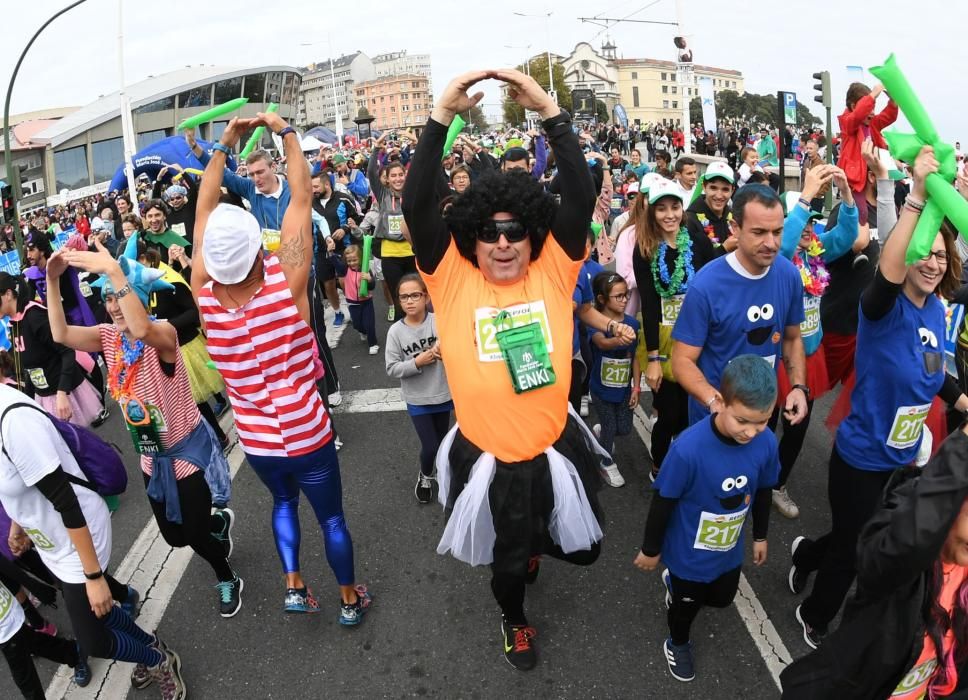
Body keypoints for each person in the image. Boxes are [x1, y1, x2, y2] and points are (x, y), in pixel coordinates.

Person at [402, 69, 632, 671]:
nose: (502, 244)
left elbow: (581, 193)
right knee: (508, 567)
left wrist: (552, 114)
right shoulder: (450, 280)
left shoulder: (553, 271)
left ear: (532, 236)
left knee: (583, 550)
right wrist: (441, 117)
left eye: (513, 233)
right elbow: (415, 201)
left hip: (554, 444)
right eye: (489, 233)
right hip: (488, 457)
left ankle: (534, 550)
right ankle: (515, 618)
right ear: (470, 240)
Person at [191, 112, 370, 624]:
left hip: (259, 437)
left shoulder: (206, 299)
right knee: (331, 516)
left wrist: (223, 146)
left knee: (283, 505)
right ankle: (349, 600)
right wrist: (284, 131)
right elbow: (300, 199)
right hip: (307, 426)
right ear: (255, 245)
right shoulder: (286, 282)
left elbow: (203, 218)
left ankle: (294, 586)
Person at [790, 146, 968, 650]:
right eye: (923, 254)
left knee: (859, 532)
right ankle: (815, 613)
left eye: (940, 255)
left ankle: (807, 556)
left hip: (904, 456)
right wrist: (912, 197)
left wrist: (963, 405)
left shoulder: (935, 310)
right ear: (907, 258)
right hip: (861, 455)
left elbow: (936, 376)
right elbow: (888, 271)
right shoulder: (881, 306)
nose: (931, 264)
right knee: (855, 546)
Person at [47, 241, 242, 631]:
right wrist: (53, 282)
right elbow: (61, 333)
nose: (114, 305)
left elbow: (140, 327)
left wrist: (115, 271)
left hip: (186, 453)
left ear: (139, 298)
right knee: (174, 537)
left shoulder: (164, 335)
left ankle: (226, 575)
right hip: (151, 456)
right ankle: (216, 526)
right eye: (108, 299)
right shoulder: (107, 338)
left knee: (194, 533)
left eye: (121, 296)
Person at [0, 384, 185, 699]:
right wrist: (19, 524)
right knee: (93, 610)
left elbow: (65, 500)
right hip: (53, 541)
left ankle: (160, 660)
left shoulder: (12, 422)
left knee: (93, 641)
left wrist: (95, 576)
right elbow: (20, 479)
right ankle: (151, 646)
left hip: (78, 533)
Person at [781, 423, 968, 698]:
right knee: (849, 542)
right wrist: (961, 445)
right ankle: (811, 595)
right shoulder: (908, 570)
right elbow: (899, 548)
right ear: (949, 503)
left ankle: (806, 556)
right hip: (865, 463)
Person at [634, 355, 779, 682]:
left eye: (762, 421)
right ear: (721, 402)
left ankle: (678, 591)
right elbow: (663, 502)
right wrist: (651, 549)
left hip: (728, 551)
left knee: (722, 599)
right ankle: (678, 640)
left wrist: (760, 535)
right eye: (743, 421)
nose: (752, 432)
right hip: (688, 553)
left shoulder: (766, 442)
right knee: (685, 609)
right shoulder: (688, 449)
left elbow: (765, 489)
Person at [670, 184, 808, 426]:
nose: (771, 243)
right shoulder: (706, 285)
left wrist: (798, 387)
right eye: (759, 232)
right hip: (714, 422)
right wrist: (715, 403)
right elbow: (682, 360)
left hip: (763, 414)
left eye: (777, 232)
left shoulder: (789, 275)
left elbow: (792, 338)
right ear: (735, 228)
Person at [770, 165, 859, 520]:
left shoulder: (816, 254)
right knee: (760, 424)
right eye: (802, 221)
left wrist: (848, 197)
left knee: (796, 428)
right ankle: (748, 480)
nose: (809, 229)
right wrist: (804, 200)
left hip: (807, 357)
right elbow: (783, 248)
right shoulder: (776, 261)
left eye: (812, 222)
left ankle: (777, 483)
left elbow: (846, 235)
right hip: (774, 357)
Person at [632, 179, 719, 480]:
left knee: (694, 409)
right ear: (651, 212)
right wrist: (653, 360)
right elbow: (650, 303)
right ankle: (659, 467)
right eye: (662, 208)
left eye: (675, 207)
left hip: (699, 335)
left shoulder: (694, 235)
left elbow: (714, 276)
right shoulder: (644, 248)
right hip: (666, 338)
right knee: (668, 413)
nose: (669, 214)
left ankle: (688, 464)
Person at [384, 273, 453, 504]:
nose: (409, 301)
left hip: (443, 393)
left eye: (415, 295)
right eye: (404, 297)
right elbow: (392, 368)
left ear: (426, 297)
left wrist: (447, 350)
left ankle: (443, 474)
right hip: (417, 398)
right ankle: (425, 475)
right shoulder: (396, 332)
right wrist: (417, 362)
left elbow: (458, 346)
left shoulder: (440, 321)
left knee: (443, 442)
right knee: (431, 445)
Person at [587, 272, 641, 468]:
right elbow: (601, 343)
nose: (625, 299)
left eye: (626, 294)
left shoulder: (632, 323)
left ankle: (602, 432)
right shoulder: (595, 322)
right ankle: (606, 463)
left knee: (625, 429)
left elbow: (634, 358)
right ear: (602, 299)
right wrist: (619, 337)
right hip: (601, 389)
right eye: (618, 296)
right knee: (610, 428)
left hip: (624, 389)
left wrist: (636, 387)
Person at [368, 131, 416, 322]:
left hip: (412, 252)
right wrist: (376, 149)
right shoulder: (383, 195)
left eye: (401, 175)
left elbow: (426, 168)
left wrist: (415, 143)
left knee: (415, 294)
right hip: (390, 255)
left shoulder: (412, 192)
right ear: (387, 179)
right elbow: (371, 172)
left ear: (406, 176)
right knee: (399, 298)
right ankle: (401, 334)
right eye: (393, 176)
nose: (397, 179)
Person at [836, 82, 898, 226]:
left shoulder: (872, 124)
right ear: (853, 107)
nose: (872, 112)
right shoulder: (848, 124)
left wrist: (893, 102)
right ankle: (859, 241)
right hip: (856, 180)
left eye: (873, 107)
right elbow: (857, 116)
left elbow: (888, 116)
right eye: (869, 107)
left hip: (872, 179)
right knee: (862, 212)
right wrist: (873, 94)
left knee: (889, 208)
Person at [311, 171, 362, 327]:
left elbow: (357, 217)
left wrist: (345, 229)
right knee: (328, 284)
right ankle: (338, 311)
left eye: (316, 186)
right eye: (311, 187)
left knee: (346, 281)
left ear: (327, 184)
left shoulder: (343, 198)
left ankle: (354, 307)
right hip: (320, 250)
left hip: (343, 249)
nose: (313, 190)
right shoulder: (310, 202)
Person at [685, 162, 737, 249]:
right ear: (704, 187)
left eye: (725, 189)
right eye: (713, 188)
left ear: (732, 191)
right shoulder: (689, 221)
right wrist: (724, 249)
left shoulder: (734, 217)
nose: (719, 195)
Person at [339, 244, 379, 355]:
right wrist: (331, 253)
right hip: (352, 302)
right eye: (349, 261)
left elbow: (372, 287)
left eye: (354, 260)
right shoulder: (345, 270)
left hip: (366, 301)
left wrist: (370, 280)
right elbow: (336, 264)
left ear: (360, 258)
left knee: (369, 324)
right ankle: (363, 332)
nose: (352, 263)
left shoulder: (365, 270)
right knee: (357, 324)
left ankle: (373, 343)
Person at [141, 199, 191, 268]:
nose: (154, 220)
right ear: (145, 218)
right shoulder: (142, 237)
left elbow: (194, 267)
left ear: (164, 216)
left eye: (157, 215)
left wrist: (185, 258)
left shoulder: (177, 240)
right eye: (150, 216)